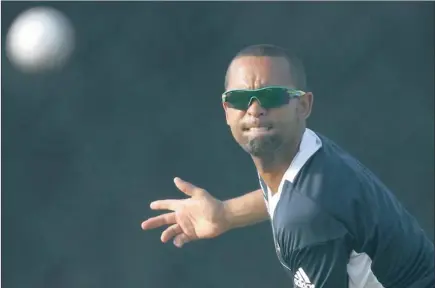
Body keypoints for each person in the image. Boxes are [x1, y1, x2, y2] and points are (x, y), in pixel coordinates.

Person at [141, 44, 434, 288]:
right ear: (226, 111)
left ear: (303, 106)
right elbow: (287, 194)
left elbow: (306, 209)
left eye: (272, 95)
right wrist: (226, 213)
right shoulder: (308, 153)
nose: (255, 109)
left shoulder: (306, 216)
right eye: (240, 99)